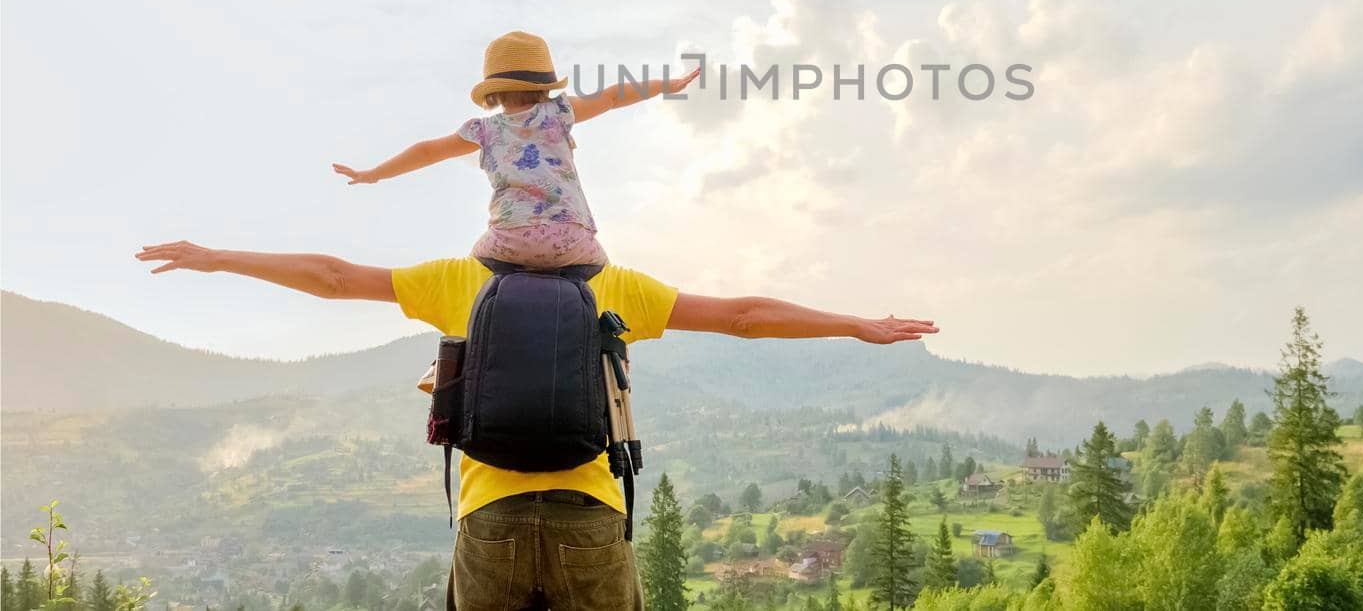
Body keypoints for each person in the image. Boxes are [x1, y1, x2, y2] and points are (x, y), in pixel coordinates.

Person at [136, 240, 937, 611]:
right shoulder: (615, 283)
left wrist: (218, 257)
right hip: (592, 519)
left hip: (491, 521)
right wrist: (855, 323)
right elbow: (747, 315)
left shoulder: (457, 279)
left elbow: (334, 275)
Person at [332, 31, 698, 270]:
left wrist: (373, 173)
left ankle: (451, 361)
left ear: (494, 90)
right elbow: (614, 96)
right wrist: (670, 83)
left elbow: (427, 151)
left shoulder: (484, 130)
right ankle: (613, 365)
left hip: (507, 241)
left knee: (469, 279)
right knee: (607, 282)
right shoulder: (560, 112)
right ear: (544, 84)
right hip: (571, 239)